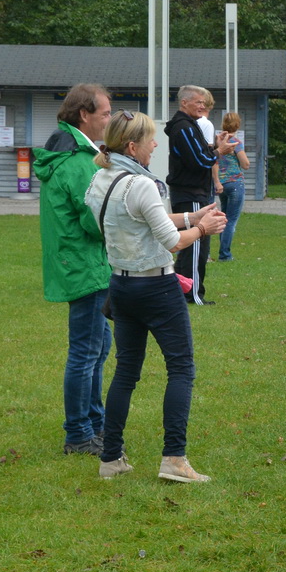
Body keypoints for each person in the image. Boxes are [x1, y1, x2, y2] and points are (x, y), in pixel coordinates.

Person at [84, 111, 228, 483]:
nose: (156, 144)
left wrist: (194, 215)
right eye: (150, 139)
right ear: (132, 146)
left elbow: (152, 220)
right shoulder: (141, 184)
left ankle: (111, 458)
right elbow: (173, 240)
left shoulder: (100, 178)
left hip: (121, 286)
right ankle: (174, 460)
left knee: (126, 373)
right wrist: (203, 227)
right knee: (181, 369)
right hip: (157, 287)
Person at [34, 83, 114, 457]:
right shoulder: (79, 161)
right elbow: (95, 220)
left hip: (81, 263)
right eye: (105, 114)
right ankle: (80, 433)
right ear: (84, 115)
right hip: (84, 264)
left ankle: (93, 424)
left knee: (99, 345)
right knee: (86, 351)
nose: (109, 120)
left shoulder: (70, 152)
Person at [164, 85, 234, 305]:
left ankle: (182, 291)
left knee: (191, 246)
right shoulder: (184, 127)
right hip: (190, 193)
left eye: (204, 103)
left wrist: (216, 146)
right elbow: (201, 161)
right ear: (184, 103)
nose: (203, 106)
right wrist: (219, 152)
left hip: (192, 192)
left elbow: (202, 154)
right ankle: (192, 295)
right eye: (198, 102)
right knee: (195, 246)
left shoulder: (189, 126)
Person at [215, 111, 250, 261]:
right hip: (235, 183)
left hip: (222, 184)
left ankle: (223, 251)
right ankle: (225, 254)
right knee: (231, 220)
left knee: (224, 219)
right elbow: (246, 164)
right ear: (238, 124)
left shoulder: (218, 142)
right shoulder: (235, 142)